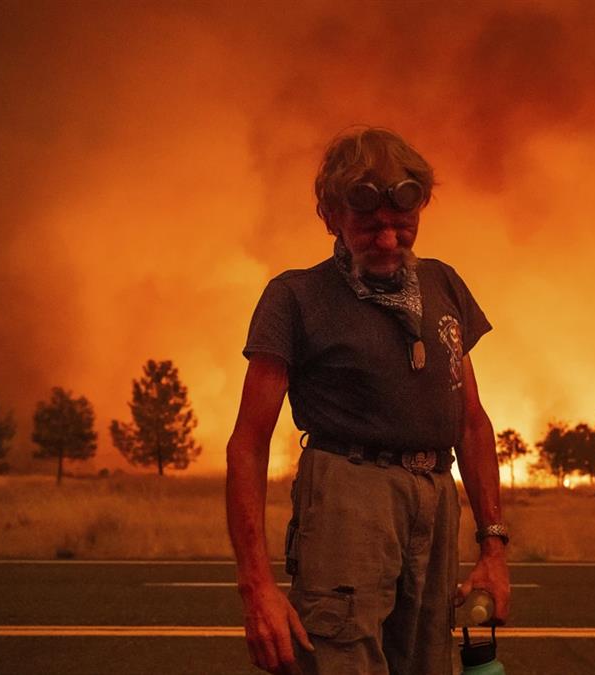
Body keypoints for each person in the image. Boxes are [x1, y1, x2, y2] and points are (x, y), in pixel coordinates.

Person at [226, 126, 510, 675]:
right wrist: (256, 586)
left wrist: (493, 549)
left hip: (436, 496)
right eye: (368, 226)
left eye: (402, 224)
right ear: (331, 218)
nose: (387, 241)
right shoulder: (295, 297)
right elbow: (249, 443)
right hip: (348, 495)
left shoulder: (443, 284)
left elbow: (471, 423)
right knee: (342, 661)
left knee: (430, 664)